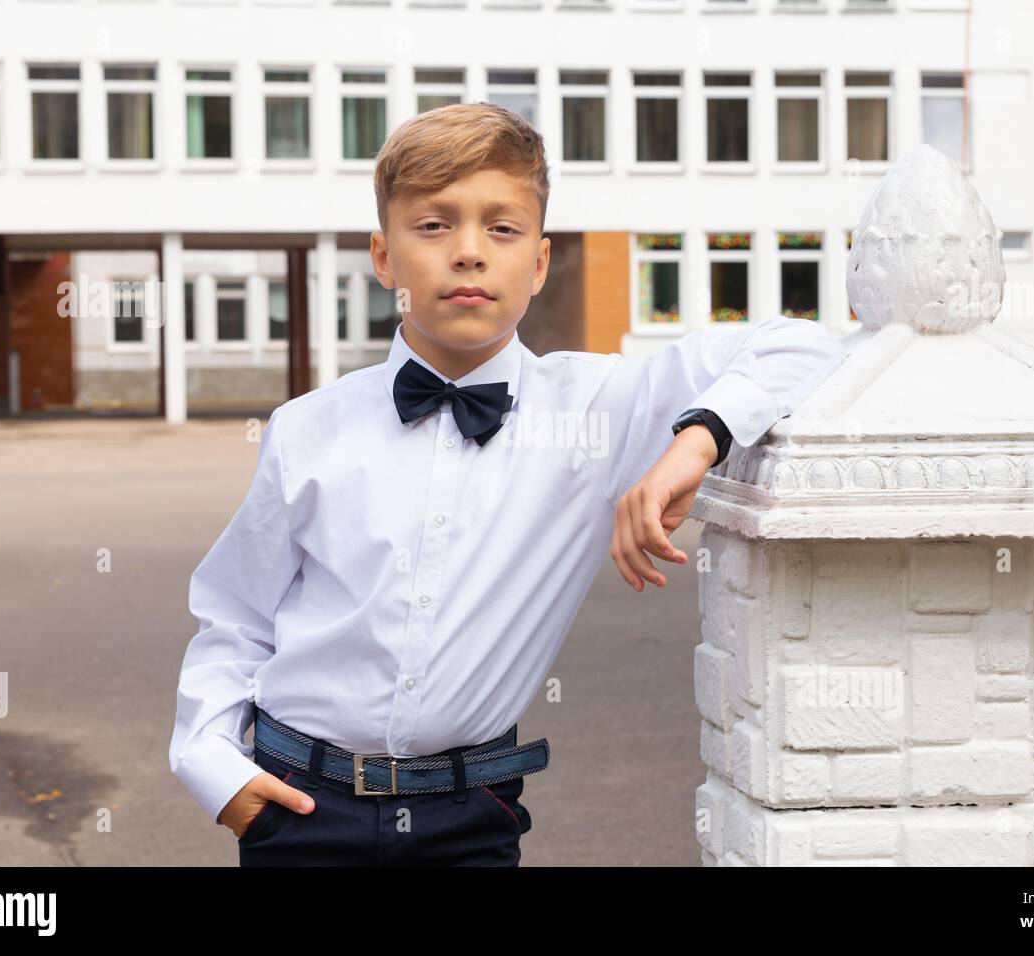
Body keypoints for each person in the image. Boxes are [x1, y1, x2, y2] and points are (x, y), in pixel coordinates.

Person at [168, 101, 846, 866]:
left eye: (502, 227)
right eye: (432, 225)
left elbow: (807, 345)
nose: (468, 252)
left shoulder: (598, 410)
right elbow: (236, 616)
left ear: (541, 260)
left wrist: (698, 439)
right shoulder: (305, 429)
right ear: (383, 257)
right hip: (297, 803)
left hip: (470, 818)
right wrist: (213, 768)